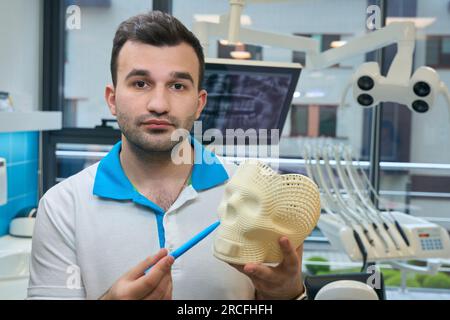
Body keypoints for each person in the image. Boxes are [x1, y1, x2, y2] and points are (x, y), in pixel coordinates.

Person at [27, 10, 306, 300]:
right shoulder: (63, 207)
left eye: (177, 86)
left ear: (199, 104)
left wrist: (289, 295)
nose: (159, 104)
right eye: (140, 83)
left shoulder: (254, 195)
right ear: (112, 99)